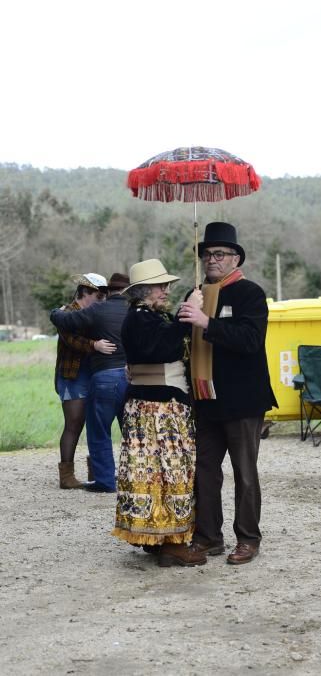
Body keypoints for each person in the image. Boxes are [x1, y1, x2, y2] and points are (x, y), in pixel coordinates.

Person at [178, 222, 278, 565]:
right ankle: (208, 537)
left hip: (243, 398)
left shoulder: (250, 293)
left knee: (244, 472)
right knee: (204, 470)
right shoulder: (196, 294)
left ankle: (248, 538)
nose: (211, 260)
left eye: (219, 254)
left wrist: (206, 323)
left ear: (235, 258)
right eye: (206, 254)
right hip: (206, 399)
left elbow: (250, 340)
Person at [112, 259, 207, 567]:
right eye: (160, 285)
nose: (166, 290)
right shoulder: (140, 319)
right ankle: (174, 545)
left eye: (166, 285)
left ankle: (157, 537)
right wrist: (187, 314)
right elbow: (163, 348)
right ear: (143, 291)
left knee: (154, 473)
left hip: (151, 407)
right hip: (159, 411)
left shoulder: (144, 317)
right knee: (171, 472)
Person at [50, 272, 129, 492]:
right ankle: (67, 475)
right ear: (87, 292)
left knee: (96, 422)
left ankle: (97, 471)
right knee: (75, 422)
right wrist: (94, 345)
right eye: (100, 293)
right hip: (73, 375)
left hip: (94, 373)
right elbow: (70, 339)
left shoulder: (96, 311)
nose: (103, 297)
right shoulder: (68, 312)